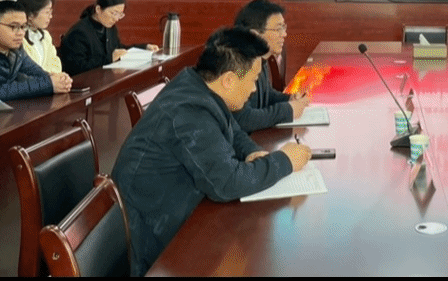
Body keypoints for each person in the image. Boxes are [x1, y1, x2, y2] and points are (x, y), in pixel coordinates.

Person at [112, 26, 312, 276]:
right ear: (228, 80)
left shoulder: (200, 87)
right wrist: (285, 161)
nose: (254, 89)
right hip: (155, 241)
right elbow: (225, 184)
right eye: (252, 80)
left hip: (181, 212)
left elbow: (233, 130)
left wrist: (252, 152)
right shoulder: (189, 110)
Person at [232, 0, 309, 132]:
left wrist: (289, 99)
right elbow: (243, 119)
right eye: (278, 29)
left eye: (284, 28)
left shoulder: (258, 58)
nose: (284, 34)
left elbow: (267, 95)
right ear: (255, 35)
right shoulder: (237, 65)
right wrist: (288, 110)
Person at [0, 0, 72, 100]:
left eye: (23, 27)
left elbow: (38, 73)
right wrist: (49, 84)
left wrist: (59, 80)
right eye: (14, 26)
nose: (21, 33)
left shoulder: (16, 50)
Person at [58, 0, 156, 76]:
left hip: (104, 79)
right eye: (113, 13)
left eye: (120, 14)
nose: (116, 19)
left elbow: (118, 49)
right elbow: (76, 67)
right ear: (98, 9)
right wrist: (109, 59)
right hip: (84, 83)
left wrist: (144, 47)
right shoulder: (79, 33)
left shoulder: (110, 27)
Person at [16, 0, 62, 73]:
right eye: (47, 12)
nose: (50, 16)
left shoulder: (45, 35)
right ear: (30, 15)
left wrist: (55, 76)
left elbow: (55, 63)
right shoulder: (17, 37)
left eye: (51, 12)